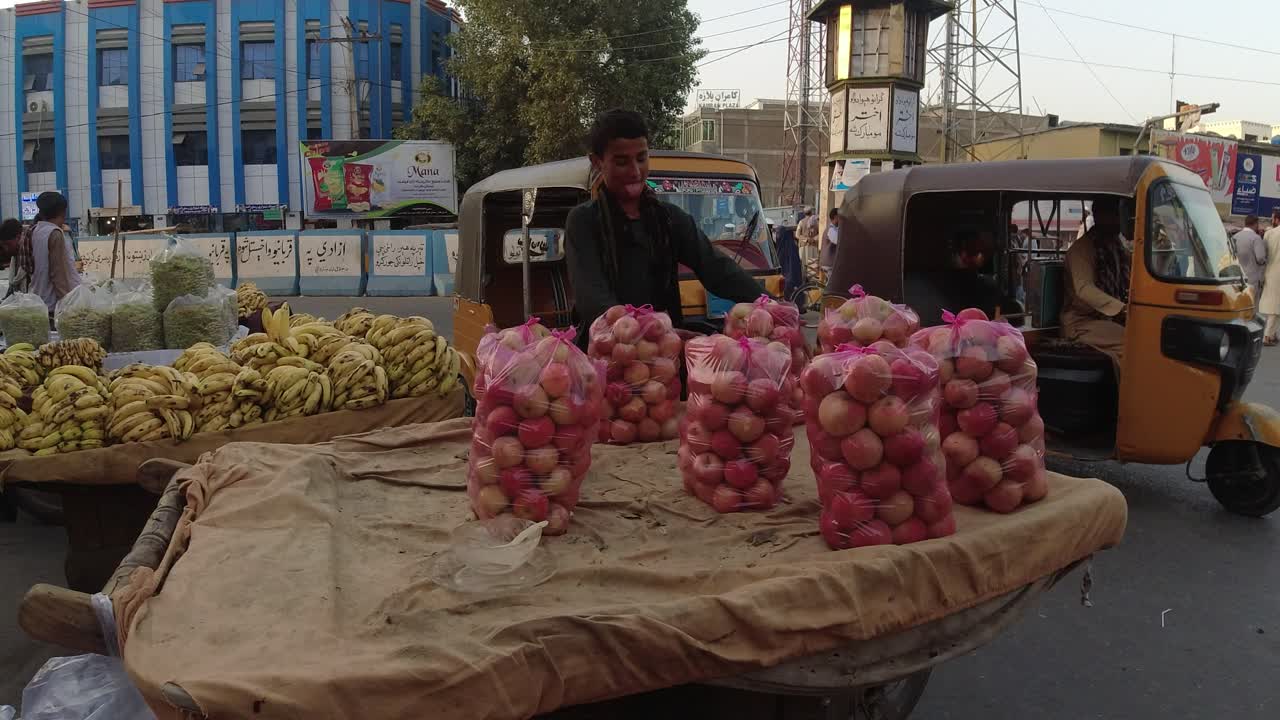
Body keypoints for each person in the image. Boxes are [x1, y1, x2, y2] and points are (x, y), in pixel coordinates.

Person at [565, 110, 763, 341]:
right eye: (621, 162)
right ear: (597, 162)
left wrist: (770, 305)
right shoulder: (583, 222)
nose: (635, 172)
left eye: (641, 158)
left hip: (664, 356)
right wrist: (652, 332)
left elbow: (718, 270)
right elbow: (593, 298)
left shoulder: (669, 219)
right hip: (606, 354)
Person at [1062, 196, 1129, 380]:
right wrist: (1122, 309)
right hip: (1081, 323)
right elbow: (1084, 289)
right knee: (1133, 343)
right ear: (1101, 216)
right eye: (1117, 215)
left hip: (1107, 319)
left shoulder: (1116, 247)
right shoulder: (1081, 249)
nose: (1121, 221)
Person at [8, 192, 78, 313]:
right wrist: (68, 304)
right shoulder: (54, 233)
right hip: (53, 304)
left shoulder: (34, 230)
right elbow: (58, 275)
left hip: (38, 299)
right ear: (62, 212)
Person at [1232, 215, 1266, 303]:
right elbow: (1260, 258)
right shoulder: (1256, 238)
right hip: (1252, 279)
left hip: (1236, 278)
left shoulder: (1234, 237)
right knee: (1252, 306)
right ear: (1255, 224)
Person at [1260, 219, 1280, 345]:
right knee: (1275, 305)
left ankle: (1271, 334)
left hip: (1269, 271)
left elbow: (1263, 253)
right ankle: (1267, 335)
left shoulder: (1269, 233)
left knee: (1272, 303)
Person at [820, 208, 840, 275]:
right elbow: (837, 241)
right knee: (833, 284)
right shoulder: (831, 229)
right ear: (836, 217)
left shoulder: (834, 228)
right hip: (829, 263)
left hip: (830, 263)